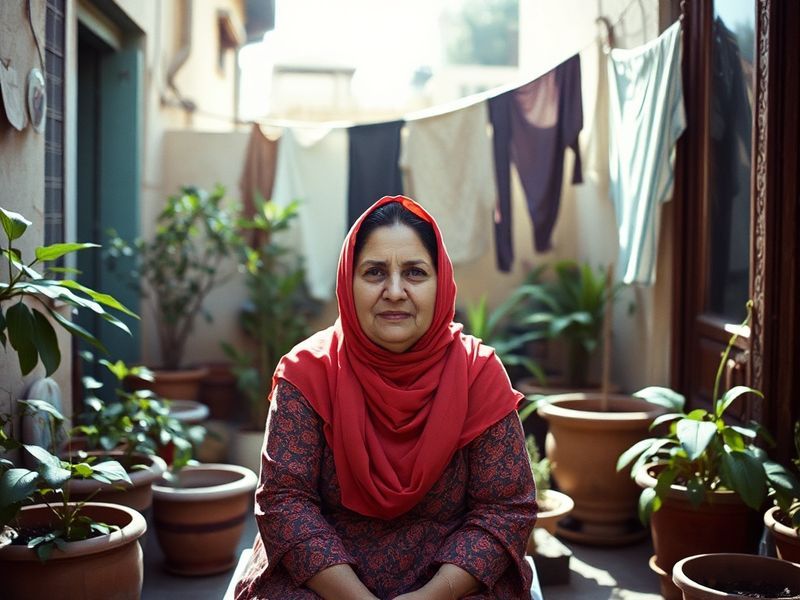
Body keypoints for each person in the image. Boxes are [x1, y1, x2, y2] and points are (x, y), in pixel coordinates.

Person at [234, 195, 537, 599]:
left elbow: (504, 508)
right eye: (375, 272)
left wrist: (432, 595)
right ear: (349, 281)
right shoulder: (307, 373)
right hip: (323, 579)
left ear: (441, 282)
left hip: (451, 581)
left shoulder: (478, 375)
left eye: (415, 272)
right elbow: (284, 502)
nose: (394, 291)